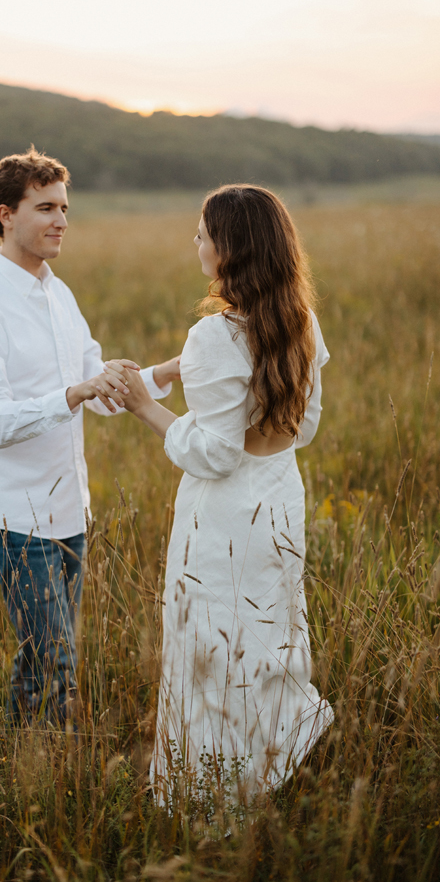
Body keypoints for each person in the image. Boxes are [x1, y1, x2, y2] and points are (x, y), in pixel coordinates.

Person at [0, 147, 181, 728]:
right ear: (6, 215)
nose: (61, 221)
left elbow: (98, 389)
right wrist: (72, 394)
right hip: (16, 516)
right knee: (55, 663)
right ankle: (43, 766)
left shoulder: (59, 295)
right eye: (45, 208)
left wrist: (167, 371)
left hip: (71, 509)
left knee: (41, 661)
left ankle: (19, 757)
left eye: (65, 208)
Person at [113, 184, 333, 804]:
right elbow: (305, 427)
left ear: (229, 249)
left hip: (226, 514)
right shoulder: (301, 321)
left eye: (203, 234)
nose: (196, 242)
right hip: (280, 495)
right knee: (268, 632)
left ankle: (212, 793)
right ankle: (272, 762)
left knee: (210, 643)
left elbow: (214, 454)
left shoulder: (214, 335)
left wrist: (144, 404)